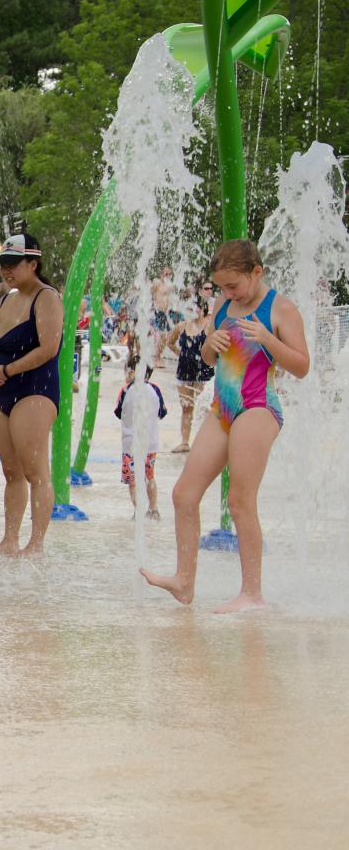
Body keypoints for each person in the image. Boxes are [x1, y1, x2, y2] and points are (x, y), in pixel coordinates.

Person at [144, 240, 310, 613]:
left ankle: (252, 593)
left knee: (239, 501)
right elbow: (207, 358)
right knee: (184, 494)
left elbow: (302, 366)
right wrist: (210, 343)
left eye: (233, 285)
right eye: (221, 287)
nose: (226, 293)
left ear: (257, 272)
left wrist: (268, 339)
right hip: (223, 407)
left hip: (257, 406)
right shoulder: (223, 305)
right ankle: (185, 582)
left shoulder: (280, 309)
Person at [0, 233, 64, 557]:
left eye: (13, 264)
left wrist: (9, 370)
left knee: (35, 471)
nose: (6, 271)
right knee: (11, 472)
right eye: (3, 265)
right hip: (2, 389)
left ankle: (36, 543)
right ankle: (9, 539)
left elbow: (49, 348)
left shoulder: (47, 298)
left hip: (34, 390)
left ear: (33, 263)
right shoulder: (5, 300)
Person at [114, 357, 167, 519]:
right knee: (149, 476)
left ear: (131, 372)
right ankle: (153, 509)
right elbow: (162, 413)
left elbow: (118, 412)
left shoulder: (125, 390)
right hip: (150, 443)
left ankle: (139, 511)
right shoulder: (155, 390)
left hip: (130, 445)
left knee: (133, 481)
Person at [164, 290, 214, 452]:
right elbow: (169, 342)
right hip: (184, 372)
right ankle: (185, 442)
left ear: (202, 309)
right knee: (186, 407)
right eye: (190, 307)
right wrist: (181, 354)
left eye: (197, 308)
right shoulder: (182, 326)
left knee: (202, 408)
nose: (194, 311)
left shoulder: (209, 326)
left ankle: (203, 442)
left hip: (203, 372)